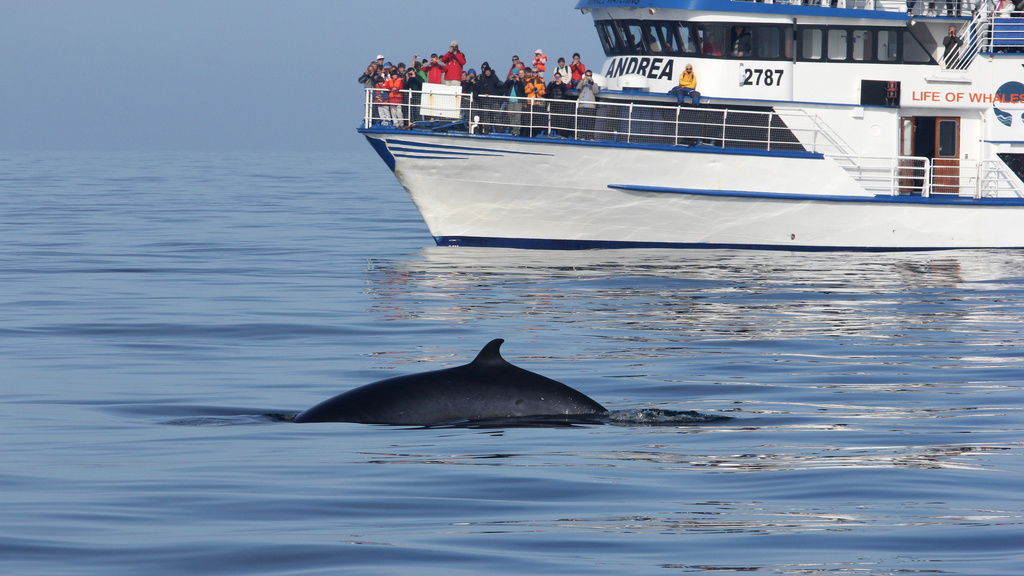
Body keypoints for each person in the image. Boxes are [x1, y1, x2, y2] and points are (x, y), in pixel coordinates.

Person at [475, 64, 504, 133]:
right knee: (486, 115)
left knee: (497, 114)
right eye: (486, 71)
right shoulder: (482, 79)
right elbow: (479, 88)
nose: (488, 72)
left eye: (489, 71)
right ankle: (486, 129)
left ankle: (499, 129)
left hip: (494, 100)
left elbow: (496, 82)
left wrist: (493, 73)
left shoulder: (493, 78)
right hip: (485, 101)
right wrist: (483, 94)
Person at [576, 69, 599, 140]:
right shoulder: (583, 83)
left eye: (590, 76)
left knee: (590, 122)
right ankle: (582, 136)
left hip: (590, 106)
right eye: (587, 75)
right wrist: (583, 80)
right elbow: (578, 87)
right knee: (582, 121)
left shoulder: (595, 84)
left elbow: (596, 92)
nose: (588, 77)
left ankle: (590, 137)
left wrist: (592, 84)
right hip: (582, 105)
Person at [503, 69, 527, 136]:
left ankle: (517, 132)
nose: (514, 76)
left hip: (517, 102)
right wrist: (509, 80)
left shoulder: (520, 82)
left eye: (515, 74)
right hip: (510, 101)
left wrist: (518, 81)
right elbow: (503, 87)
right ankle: (513, 131)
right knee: (511, 116)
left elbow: (522, 89)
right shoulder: (509, 82)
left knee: (517, 117)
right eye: (513, 74)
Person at [525, 67, 547, 136]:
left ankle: (535, 134)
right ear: (531, 72)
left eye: (536, 72)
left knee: (537, 120)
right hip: (530, 102)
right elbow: (525, 91)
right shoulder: (528, 80)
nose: (535, 73)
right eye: (533, 72)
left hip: (538, 103)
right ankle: (528, 135)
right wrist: (531, 89)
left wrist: (539, 92)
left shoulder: (542, 80)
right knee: (529, 120)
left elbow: (544, 91)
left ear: (538, 72)